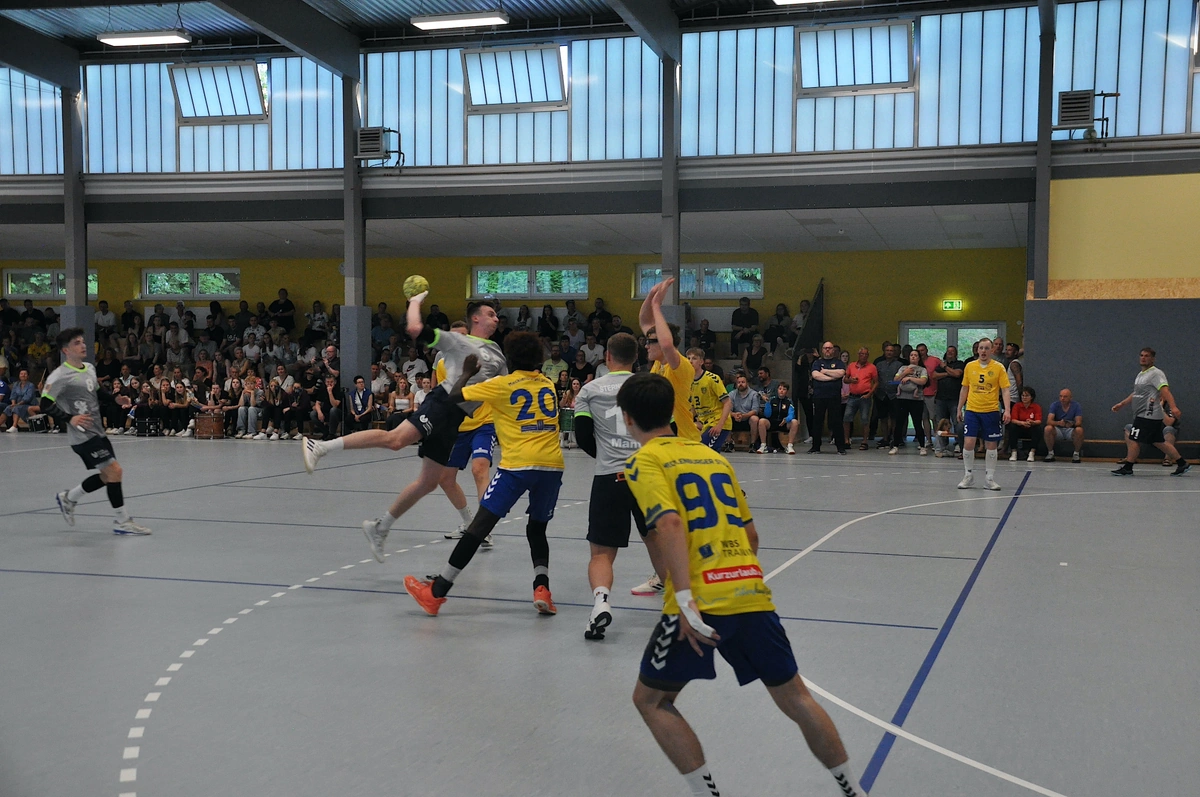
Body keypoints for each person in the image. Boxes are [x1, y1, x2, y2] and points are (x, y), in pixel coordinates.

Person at [618, 373, 867, 797]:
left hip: (700, 601)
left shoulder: (643, 462)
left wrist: (684, 598)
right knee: (797, 698)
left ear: (626, 419)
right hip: (750, 591)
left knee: (652, 701)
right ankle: (852, 790)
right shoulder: (714, 458)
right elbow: (751, 537)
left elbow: (670, 524)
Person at [306, 294, 507, 556]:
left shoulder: (497, 353)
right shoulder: (458, 341)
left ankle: (380, 527)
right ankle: (320, 446)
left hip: (456, 419)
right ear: (476, 318)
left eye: (496, 315)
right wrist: (415, 302)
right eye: (490, 313)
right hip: (442, 403)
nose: (496, 317)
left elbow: (504, 392)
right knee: (396, 440)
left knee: (428, 482)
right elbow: (414, 328)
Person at [403, 332, 564, 616]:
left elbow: (454, 397)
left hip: (517, 466)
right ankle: (542, 588)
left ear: (510, 360)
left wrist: (466, 373)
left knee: (478, 528)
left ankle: (436, 592)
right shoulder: (548, 384)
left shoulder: (501, 385)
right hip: (552, 466)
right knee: (537, 529)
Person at [572, 333, 645, 640]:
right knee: (661, 545)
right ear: (636, 358)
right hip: (648, 476)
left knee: (601, 554)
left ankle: (601, 602)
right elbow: (671, 432)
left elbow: (583, 436)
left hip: (609, 477)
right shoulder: (649, 387)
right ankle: (681, 607)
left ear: (608, 358)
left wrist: (606, 455)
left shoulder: (589, 390)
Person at [44, 328, 151, 535]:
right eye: (77, 343)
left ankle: (69, 498)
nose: (83, 345)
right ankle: (122, 521)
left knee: (108, 475)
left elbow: (97, 391)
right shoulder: (59, 376)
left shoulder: (90, 368)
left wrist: (115, 398)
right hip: (82, 435)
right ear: (66, 350)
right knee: (115, 471)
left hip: (98, 432)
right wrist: (70, 418)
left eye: (83, 341)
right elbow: (45, 404)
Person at [631, 278, 700, 599]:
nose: (646, 345)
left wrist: (659, 307)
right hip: (663, 450)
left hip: (686, 449)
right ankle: (668, 574)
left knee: (680, 518)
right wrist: (649, 298)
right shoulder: (657, 365)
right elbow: (646, 323)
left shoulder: (679, 366)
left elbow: (667, 343)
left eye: (651, 341)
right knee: (663, 518)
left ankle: (689, 576)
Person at [1111, 347, 1189, 476]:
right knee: (1159, 442)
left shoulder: (1156, 373)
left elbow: (1165, 390)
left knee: (1133, 438)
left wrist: (1173, 407)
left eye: (1147, 356)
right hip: (1143, 414)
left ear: (1153, 359)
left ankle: (1128, 467)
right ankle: (1182, 463)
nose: (1143, 358)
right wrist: (1122, 403)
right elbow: (1136, 393)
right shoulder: (1141, 375)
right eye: (1141, 355)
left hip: (1148, 415)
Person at [957, 338, 1012, 490]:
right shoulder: (970, 366)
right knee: (969, 442)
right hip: (972, 410)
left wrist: (1007, 410)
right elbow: (964, 388)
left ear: (992, 350)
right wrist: (959, 408)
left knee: (991, 444)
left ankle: (989, 478)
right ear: (977, 350)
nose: (983, 351)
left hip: (991, 410)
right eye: (981, 348)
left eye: (987, 348)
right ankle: (968, 475)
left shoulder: (999, 367)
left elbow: (1005, 389)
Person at [686, 348, 732, 452]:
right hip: (704, 423)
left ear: (701, 362)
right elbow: (693, 406)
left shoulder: (712, 379)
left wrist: (719, 426)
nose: (690, 361)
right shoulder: (688, 381)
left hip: (717, 423)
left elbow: (728, 403)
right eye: (688, 358)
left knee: (702, 451)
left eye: (694, 358)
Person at [809, 342, 847, 454]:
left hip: (834, 397)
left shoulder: (838, 362)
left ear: (833, 350)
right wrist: (832, 377)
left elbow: (841, 373)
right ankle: (815, 447)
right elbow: (816, 375)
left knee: (836, 421)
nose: (827, 350)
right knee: (817, 421)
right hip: (819, 396)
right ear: (822, 350)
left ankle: (841, 447)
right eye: (825, 348)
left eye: (830, 348)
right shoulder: (817, 362)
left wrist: (825, 371)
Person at [890, 349, 928, 455]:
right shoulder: (903, 368)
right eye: (911, 355)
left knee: (917, 423)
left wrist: (910, 378)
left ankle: (922, 446)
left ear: (919, 358)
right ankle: (895, 445)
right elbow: (895, 380)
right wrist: (905, 373)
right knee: (899, 422)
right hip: (902, 399)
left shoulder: (922, 370)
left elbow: (923, 381)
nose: (913, 357)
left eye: (916, 355)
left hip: (916, 400)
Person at [932, 346, 965, 458]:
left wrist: (945, 368)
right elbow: (934, 376)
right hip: (941, 398)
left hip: (955, 399)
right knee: (940, 423)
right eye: (948, 351)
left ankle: (958, 445)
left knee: (957, 422)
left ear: (956, 354)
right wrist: (948, 373)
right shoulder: (940, 365)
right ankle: (942, 446)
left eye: (952, 351)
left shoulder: (959, 364)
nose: (950, 353)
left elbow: (957, 374)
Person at [843, 347, 877, 450]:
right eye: (862, 354)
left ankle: (864, 441)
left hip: (865, 396)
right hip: (852, 396)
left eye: (866, 354)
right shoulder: (851, 365)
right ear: (858, 355)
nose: (864, 356)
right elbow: (845, 379)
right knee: (847, 417)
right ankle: (846, 440)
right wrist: (850, 380)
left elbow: (876, 382)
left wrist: (870, 394)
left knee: (864, 419)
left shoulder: (872, 367)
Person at [1043, 388, 1083, 463]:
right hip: (1058, 429)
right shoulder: (1054, 405)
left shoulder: (1076, 406)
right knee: (1048, 428)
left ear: (1070, 398)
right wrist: (1058, 423)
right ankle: (1050, 453)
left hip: (1070, 430)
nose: (1062, 398)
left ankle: (1076, 454)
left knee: (1079, 430)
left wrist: (1071, 424)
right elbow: (1049, 421)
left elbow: (1079, 422)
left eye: (1065, 397)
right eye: (1061, 396)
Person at [760, 381, 800, 454]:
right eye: (780, 388)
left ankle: (790, 446)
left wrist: (786, 419)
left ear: (787, 391)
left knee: (795, 422)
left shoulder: (789, 401)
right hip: (772, 423)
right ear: (777, 390)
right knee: (762, 421)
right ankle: (763, 446)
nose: (781, 391)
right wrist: (767, 403)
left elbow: (792, 414)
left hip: (783, 423)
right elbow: (767, 415)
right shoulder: (772, 399)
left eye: (784, 389)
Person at [728, 373, 763, 450]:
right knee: (726, 417)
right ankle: (729, 443)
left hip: (748, 418)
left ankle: (753, 444)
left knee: (755, 418)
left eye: (743, 382)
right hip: (735, 418)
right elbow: (727, 410)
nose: (740, 384)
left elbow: (755, 410)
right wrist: (734, 415)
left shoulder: (754, 394)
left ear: (747, 383)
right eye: (739, 382)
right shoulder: (731, 394)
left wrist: (743, 416)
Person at [1007, 386, 1042, 462]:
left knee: (1038, 429)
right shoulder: (1017, 406)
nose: (1024, 398)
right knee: (1012, 427)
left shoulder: (1036, 407)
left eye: (1027, 396)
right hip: (1020, 428)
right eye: (1023, 395)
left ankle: (1032, 452)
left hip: (1030, 428)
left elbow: (1039, 421)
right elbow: (1013, 420)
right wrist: (1021, 423)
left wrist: (1032, 422)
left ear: (1031, 397)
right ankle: (1014, 452)